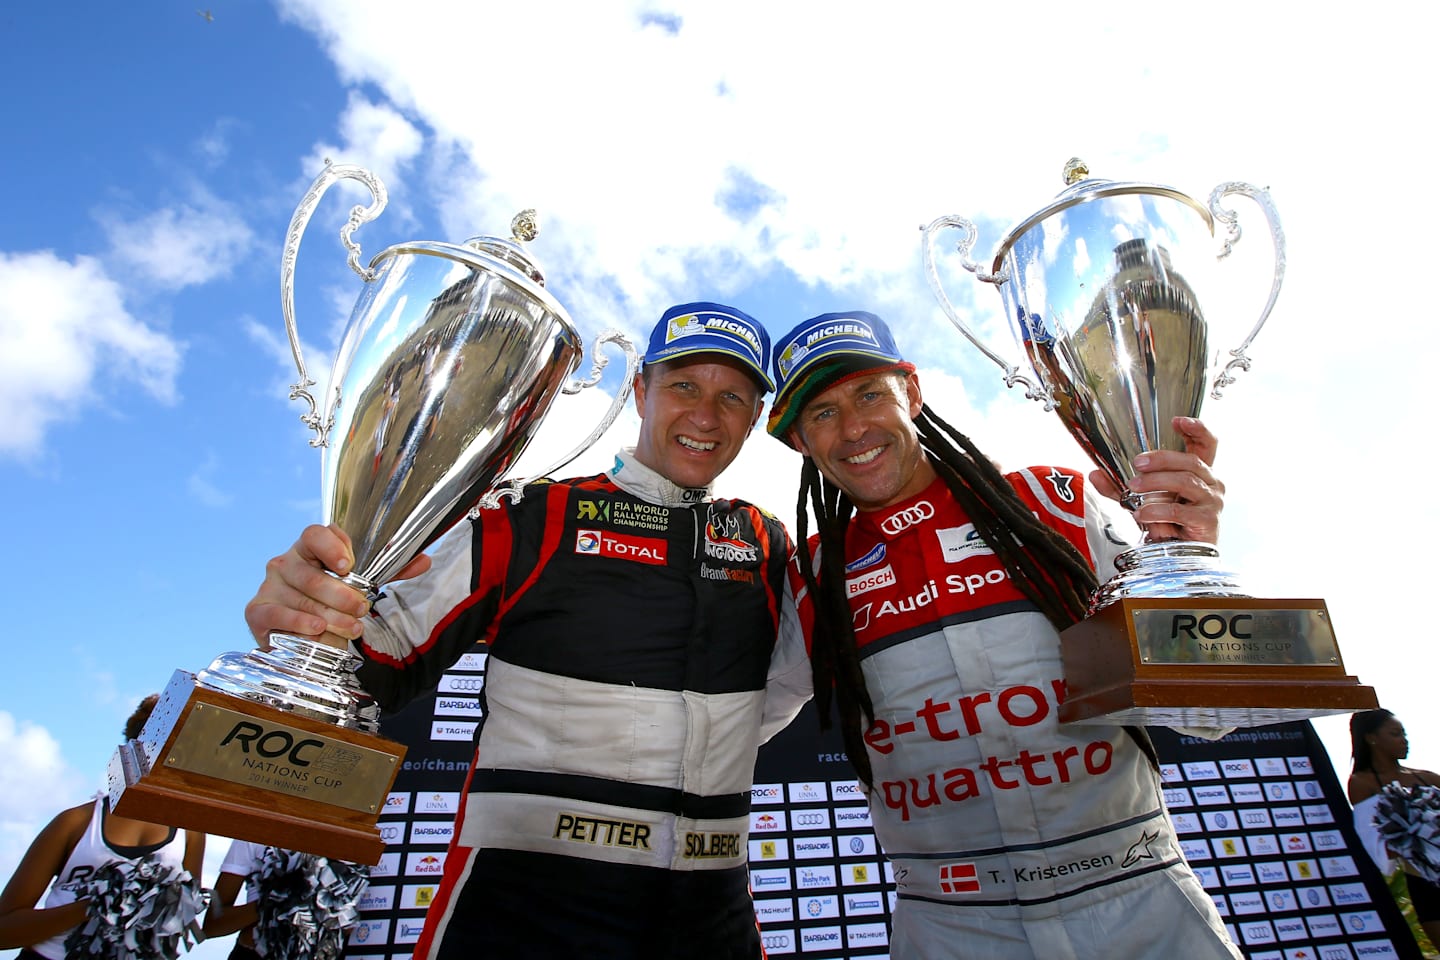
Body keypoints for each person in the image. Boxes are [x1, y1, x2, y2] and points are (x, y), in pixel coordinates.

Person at [242, 302, 811, 960]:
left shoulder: (766, 542)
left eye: (732, 396)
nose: (706, 415)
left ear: (752, 419)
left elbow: (786, 688)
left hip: (714, 910)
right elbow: (381, 659)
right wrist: (316, 615)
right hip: (528, 904)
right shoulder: (532, 513)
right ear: (640, 392)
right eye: (684, 385)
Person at [765, 310, 1239, 959]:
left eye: (868, 394)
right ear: (800, 442)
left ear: (912, 392)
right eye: (820, 414)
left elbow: (1215, 708)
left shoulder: (1052, 503)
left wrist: (1187, 556)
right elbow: (726, 724)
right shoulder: (811, 576)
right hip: (951, 930)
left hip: (1141, 908)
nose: (851, 428)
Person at [0, 696, 206, 960]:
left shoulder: (191, 833)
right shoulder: (75, 823)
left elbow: (180, 921)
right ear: (134, 747)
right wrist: (97, 904)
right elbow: (4, 930)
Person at [1347, 708, 1440, 948]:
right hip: (1424, 884)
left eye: (1404, 734)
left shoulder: (1428, 778)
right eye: (1396, 734)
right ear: (1371, 738)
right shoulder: (1362, 783)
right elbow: (1374, 841)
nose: (1404, 740)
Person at [204, 840, 369, 960]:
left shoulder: (350, 836)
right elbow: (212, 925)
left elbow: (346, 927)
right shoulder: (256, 829)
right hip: (255, 953)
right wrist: (272, 903)